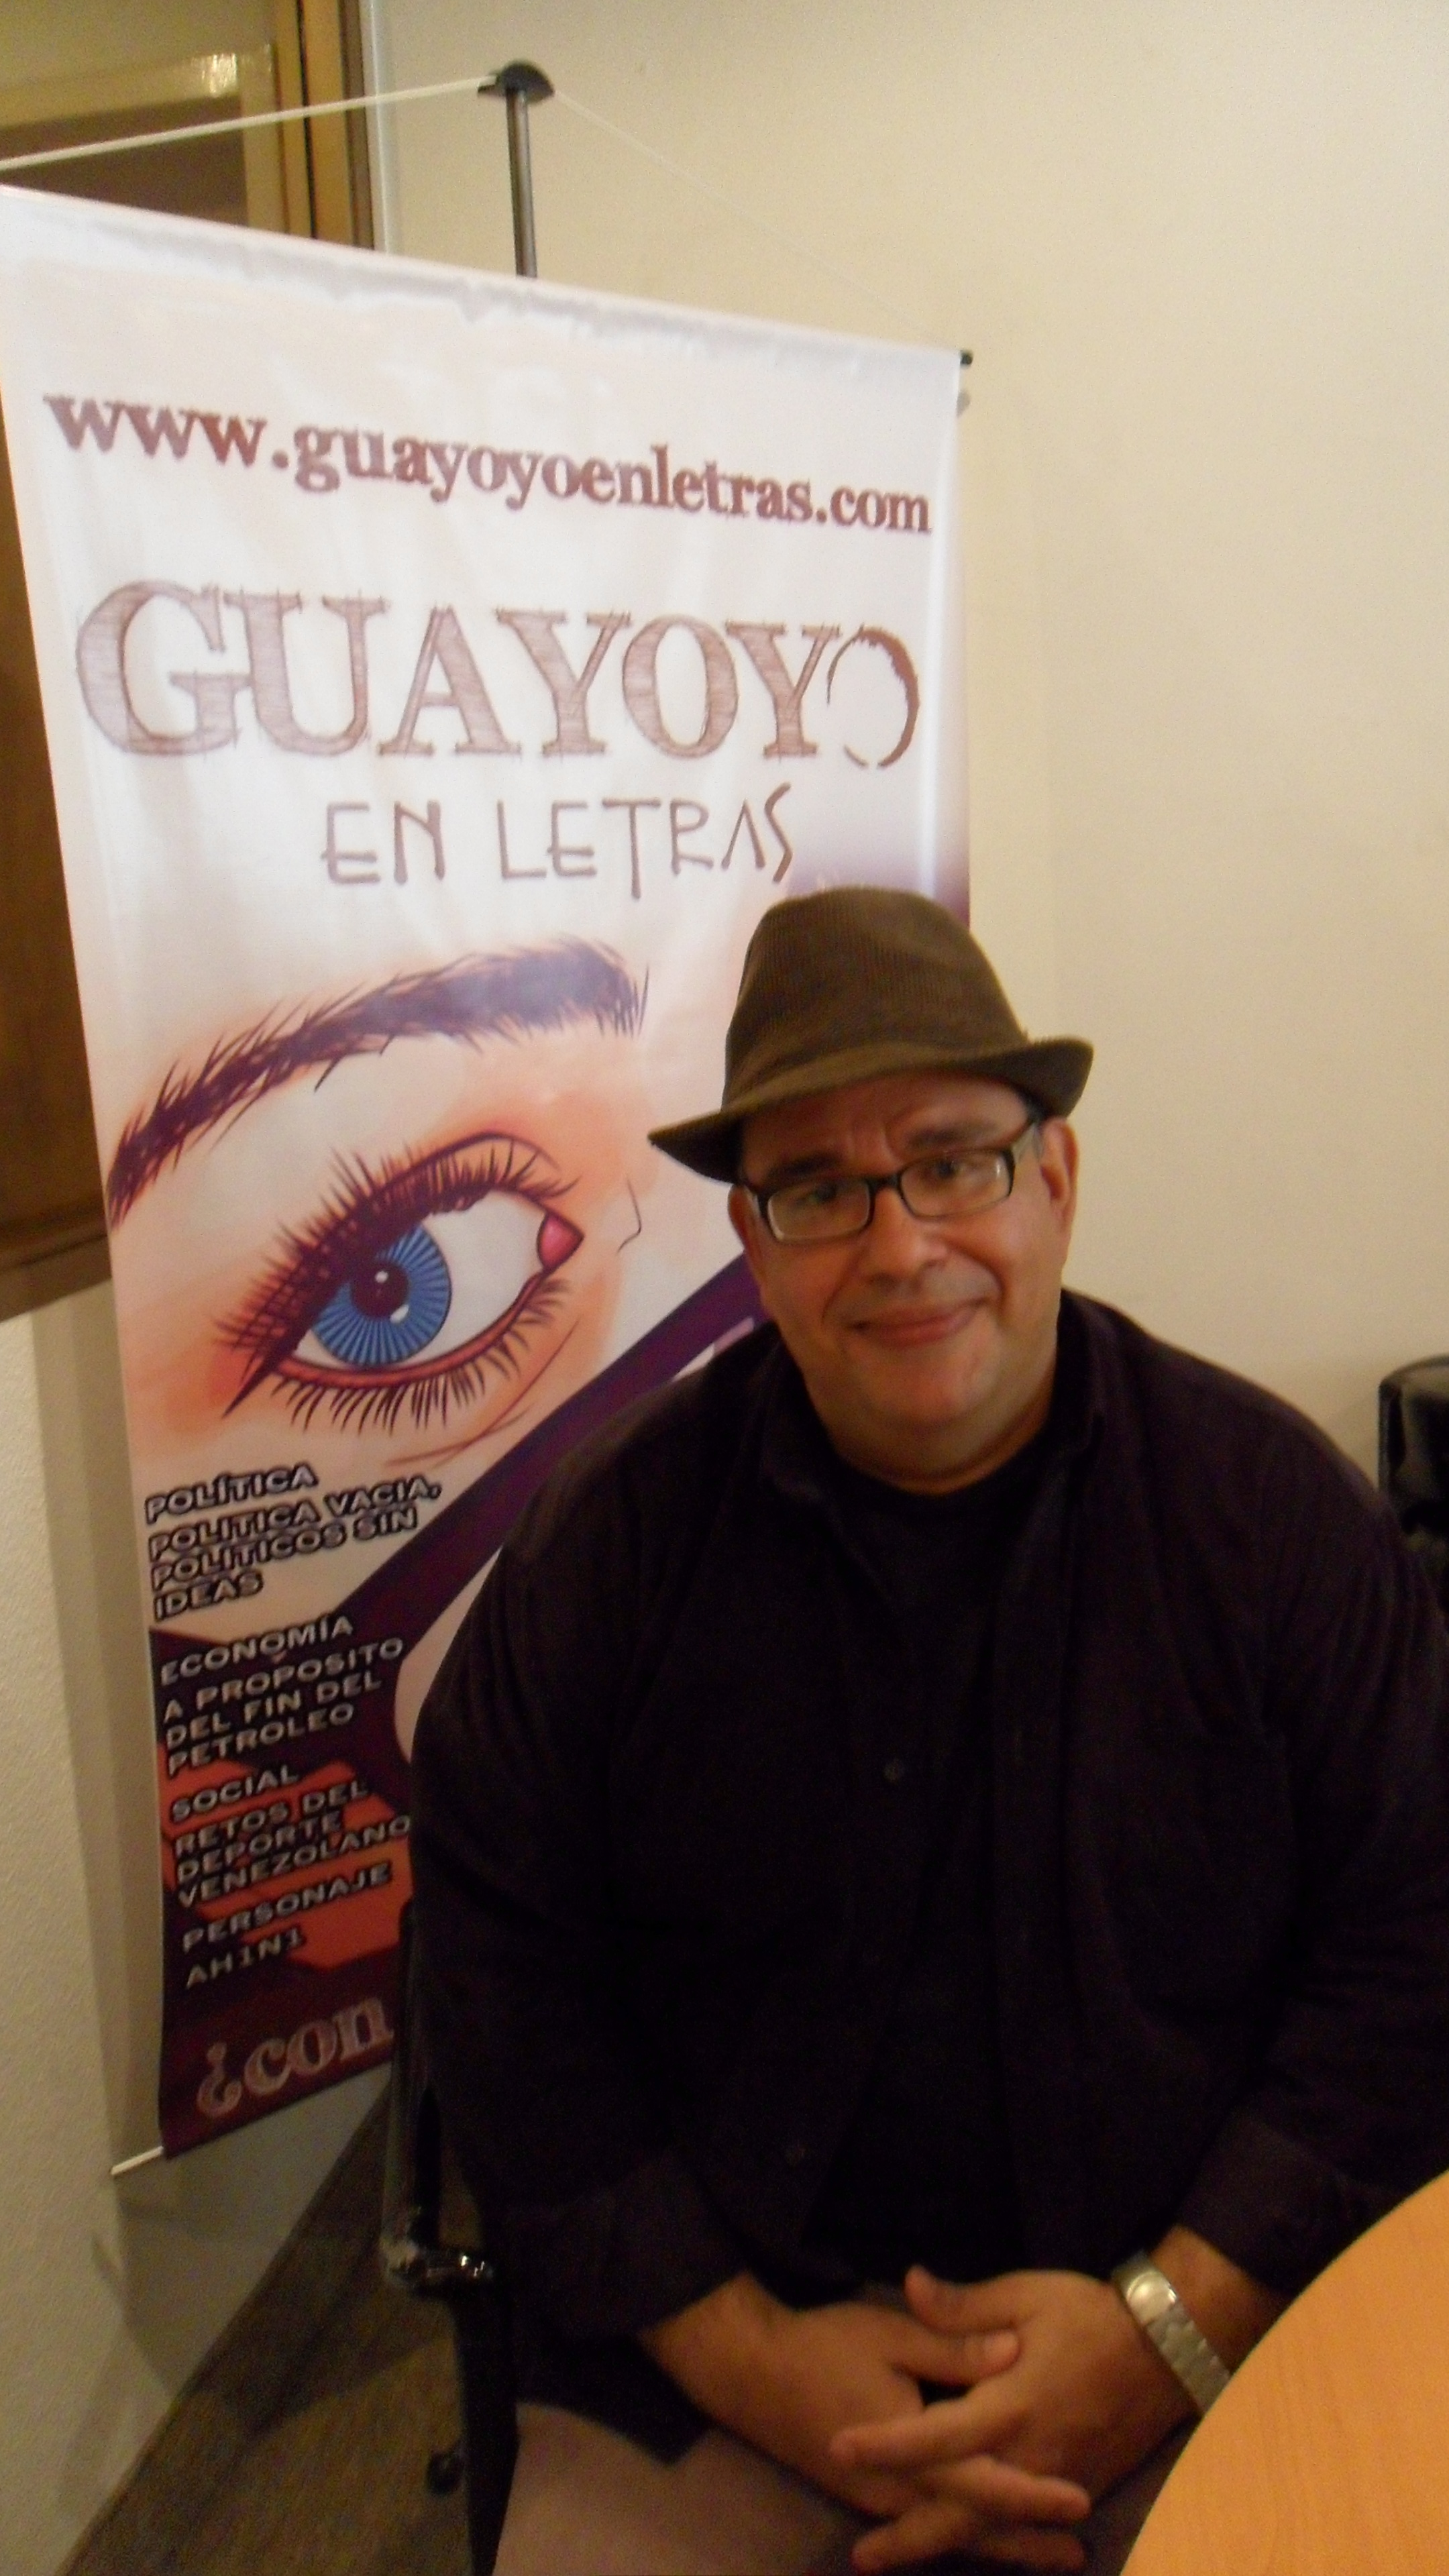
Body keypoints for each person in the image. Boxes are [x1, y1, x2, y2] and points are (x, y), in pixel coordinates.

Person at [411, 887, 1449, 2575]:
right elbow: (503, 1990)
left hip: (1207, 2341)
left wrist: (1168, 2336)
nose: (899, 1249)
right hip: (714, 2373)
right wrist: (757, 2365)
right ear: (753, 1244)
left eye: (954, 1161)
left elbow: (1413, 1959)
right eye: (821, 1189)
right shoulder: (603, 1557)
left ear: (1057, 1181)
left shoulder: (1279, 1529)